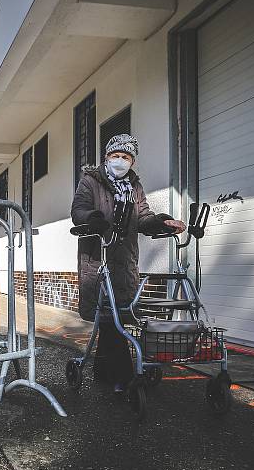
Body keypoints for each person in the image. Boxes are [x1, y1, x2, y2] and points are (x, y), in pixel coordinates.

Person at [70, 134, 186, 393]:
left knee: (117, 314)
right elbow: (78, 210)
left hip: (124, 261)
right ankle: (123, 377)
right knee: (112, 317)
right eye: (116, 156)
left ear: (132, 162)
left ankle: (103, 369)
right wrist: (94, 218)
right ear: (107, 157)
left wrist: (161, 222)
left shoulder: (134, 187)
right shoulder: (90, 181)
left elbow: (143, 217)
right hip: (98, 258)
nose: (120, 161)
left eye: (126, 157)